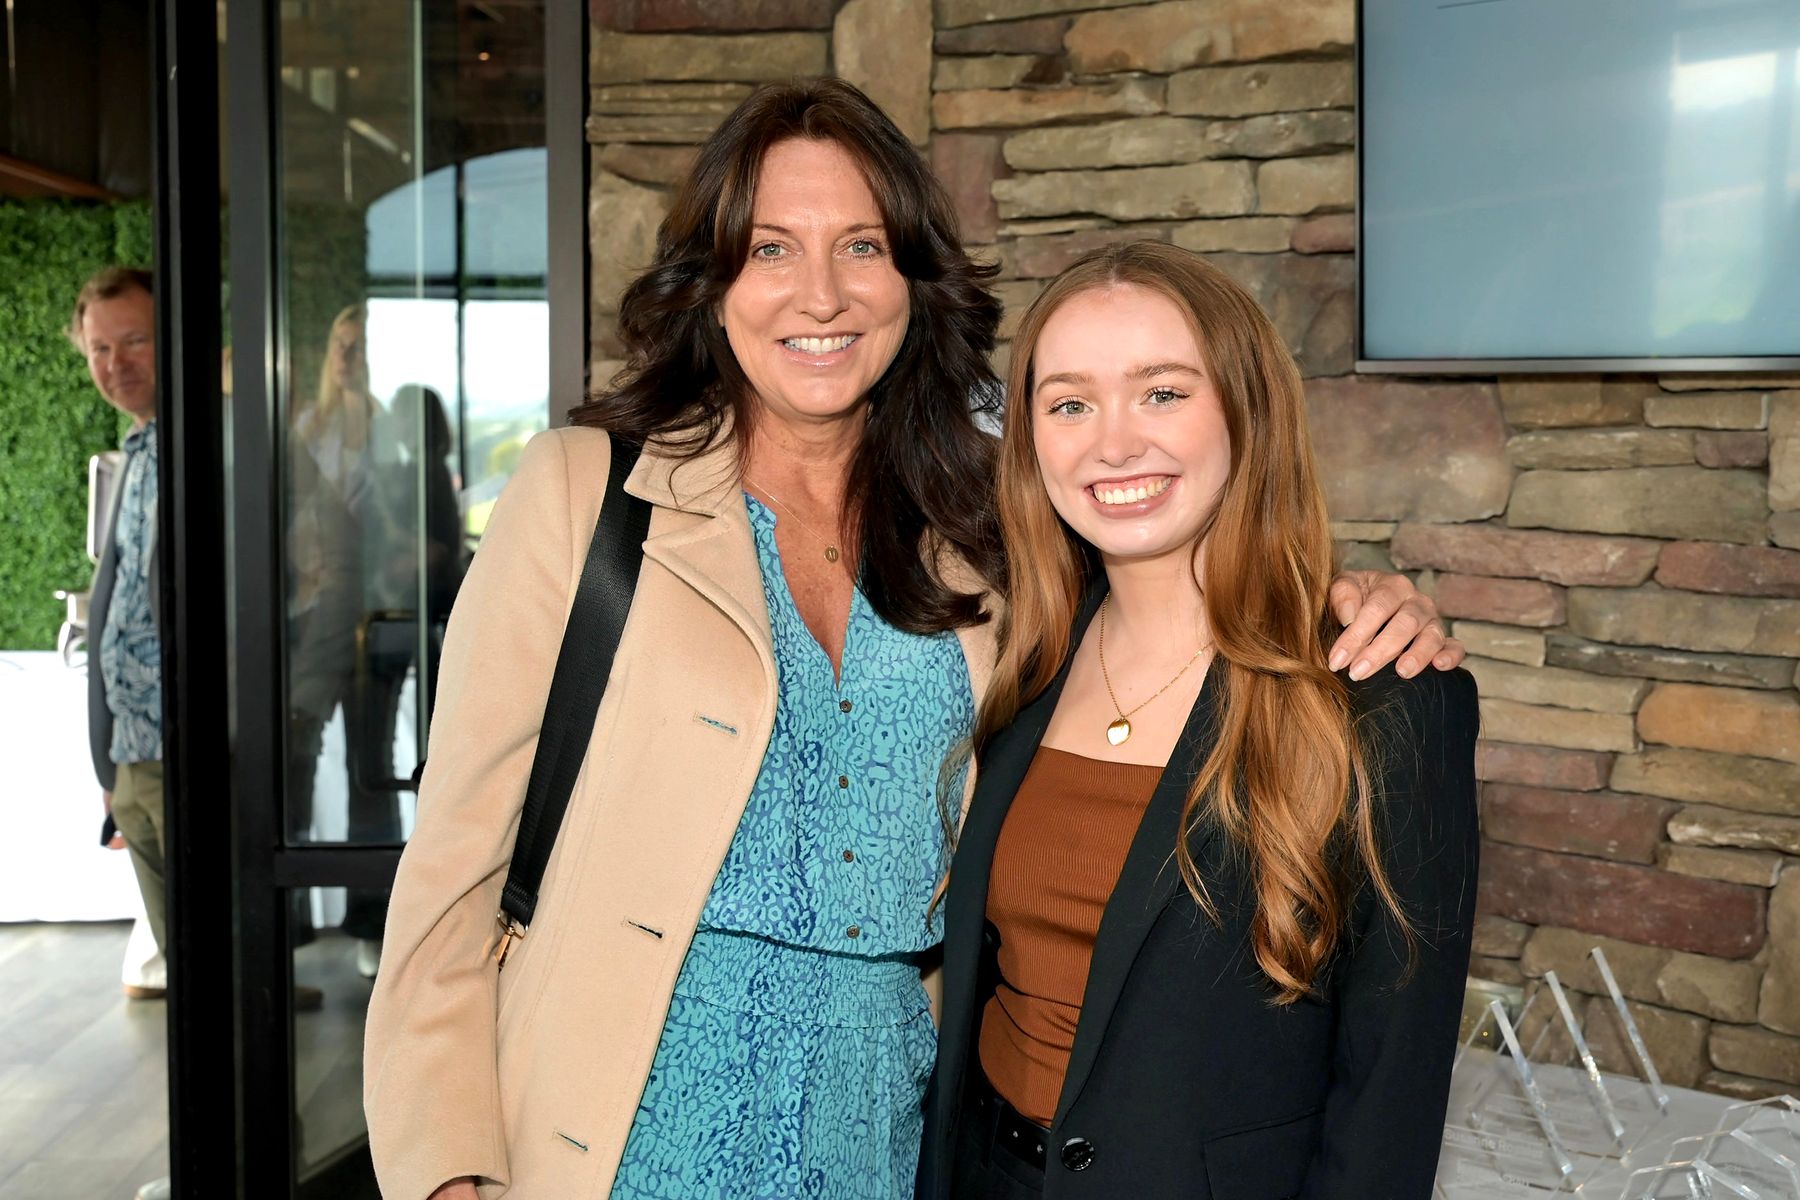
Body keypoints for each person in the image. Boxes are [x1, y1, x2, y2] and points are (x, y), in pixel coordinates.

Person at [364, 79, 1461, 1200]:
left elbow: (1179, 576)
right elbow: (452, 871)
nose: (822, 293)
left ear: (912, 279)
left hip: (886, 1145)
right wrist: (448, 1172)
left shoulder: (989, 540)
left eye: (863, 246)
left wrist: (1355, 602)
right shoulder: (585, 499)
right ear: (714, 281)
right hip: (606, 1141)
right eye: (771, 249)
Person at [917, 241, 1479, 1199]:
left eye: (1163, 392)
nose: (1113, 444)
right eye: (1069, 404)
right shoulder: (1015, 657)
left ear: (1248, 409)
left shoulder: (1381, 693)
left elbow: (1390, 1095)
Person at [71, 267, 165, 988]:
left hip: (193, 751)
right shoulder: (137, 454)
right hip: (136, 758)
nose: (115, 364)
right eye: (100, 349)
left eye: (134, 340)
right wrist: (112, 765)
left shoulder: (219, 446)